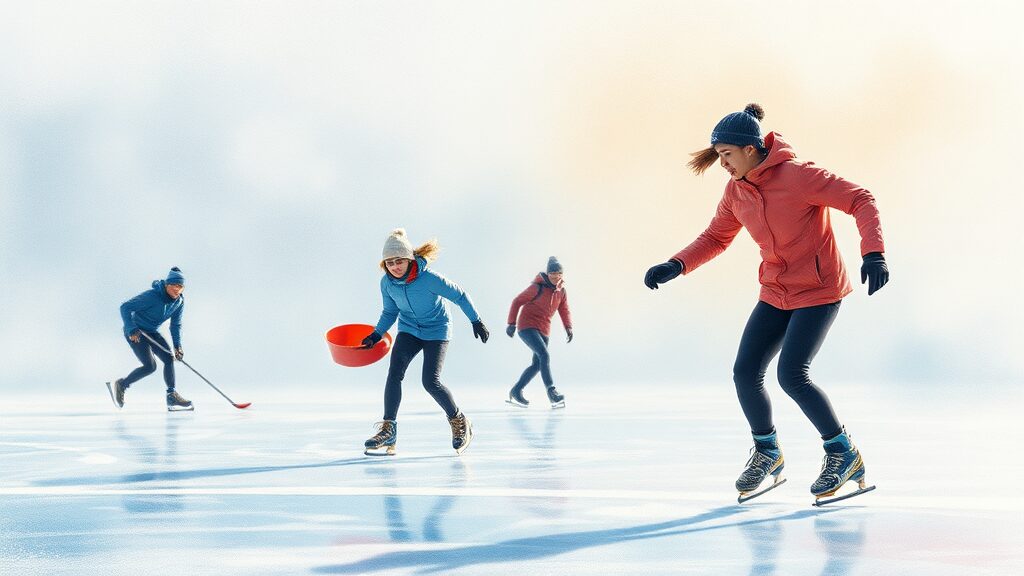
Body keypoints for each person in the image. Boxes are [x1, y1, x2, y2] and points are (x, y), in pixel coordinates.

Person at [644, 104, 889, 504]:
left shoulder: (799, 176)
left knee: (792, 374)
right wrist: (677, 264)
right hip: (776, 291)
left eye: (727, 154)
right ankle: (767, 452)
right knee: (745, 372)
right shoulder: (736, 191)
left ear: (750, 149)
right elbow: (716, 237)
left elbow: (860, 199)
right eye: (718, 156)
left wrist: (873, 253)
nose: (723, 164)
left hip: (819, 290)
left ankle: (843, 453)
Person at [361, 229, 489, 456]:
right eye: (389, 263)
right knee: (394, 373)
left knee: (430, 382)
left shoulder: (429, 279)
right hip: (409, 329)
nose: (394, 267)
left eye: (399, 261)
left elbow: (459, 295)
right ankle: (389, 430)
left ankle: (459, 420)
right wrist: (376, 334)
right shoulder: (387, 283)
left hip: (437, 331)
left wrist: (476, 320)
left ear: (409, 259)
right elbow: (390, 311)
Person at [107, 267, 193, 412]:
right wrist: (131, 329)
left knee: (168, 358)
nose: (177, 289)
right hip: (137, 332)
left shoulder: (179, 302)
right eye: (174, 285)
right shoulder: (152, 296)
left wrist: (177, 346)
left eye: (180, 286)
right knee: (150, 366)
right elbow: (125, 307)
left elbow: (175, 325)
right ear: (167, 285)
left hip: (152, 332)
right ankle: (122, 384)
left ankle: (171, 396)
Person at [505, 256, 573, 409]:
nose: (556, 277)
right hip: (527, 326)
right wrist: (511, 324)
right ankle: (551, 391)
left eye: (559, 273)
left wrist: (568, 327)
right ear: (548, 274)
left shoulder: (561, 291)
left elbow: (564, 309)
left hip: (544, 330)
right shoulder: (537, 288)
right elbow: (517, 301)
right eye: (552, 273)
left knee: (537, 364)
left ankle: (516, 390)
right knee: (544, 355)